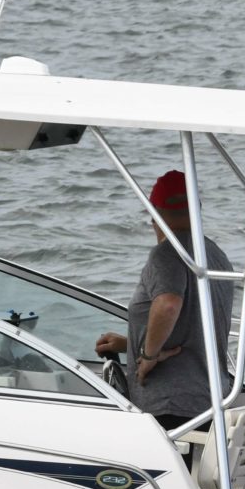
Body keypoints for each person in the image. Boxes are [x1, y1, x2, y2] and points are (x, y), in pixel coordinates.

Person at [93, 170, 231, 431]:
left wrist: (148, 355)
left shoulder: (166, 255)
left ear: (153, 213)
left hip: (171, 405)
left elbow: (168, 304)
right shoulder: (215, 255)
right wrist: (130, 344)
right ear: (198, 209)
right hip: (208, 399)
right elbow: (193, 327)